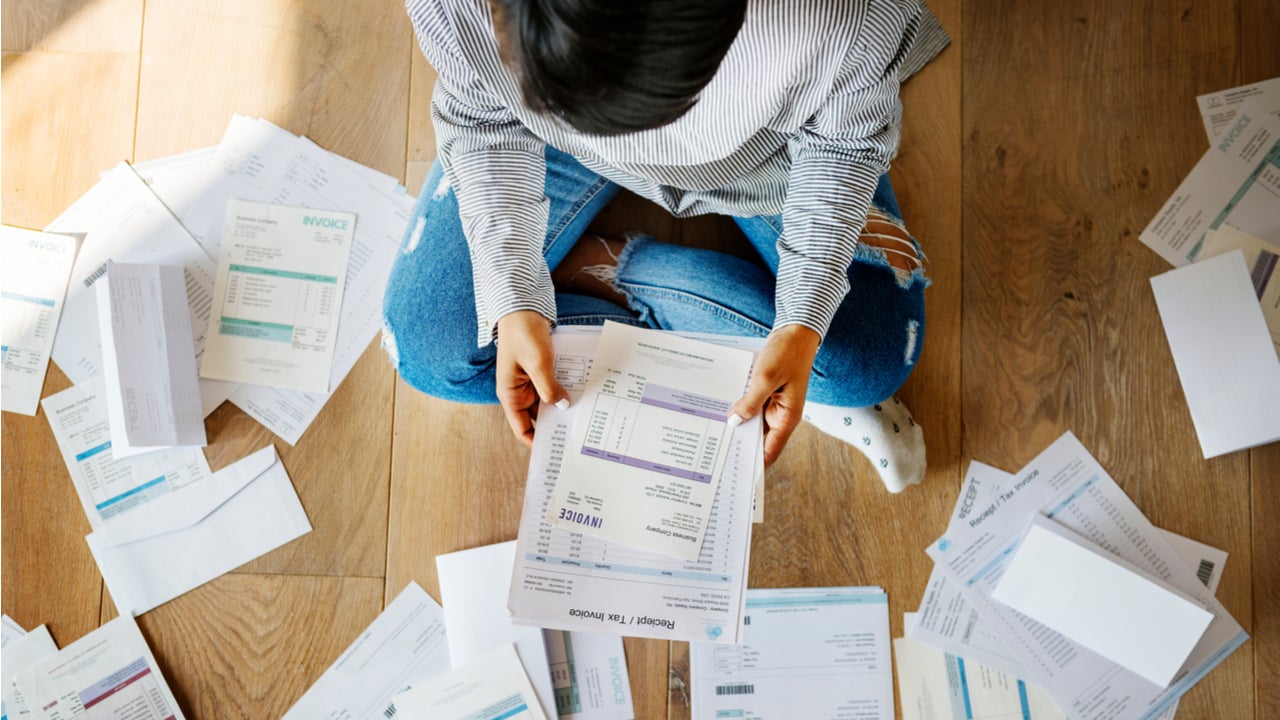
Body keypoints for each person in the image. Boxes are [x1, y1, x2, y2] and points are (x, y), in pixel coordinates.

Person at [383, 0, 948, 491]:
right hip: (546, 148)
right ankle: (761, 364)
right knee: (431, 349)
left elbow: (842, 148)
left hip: (765, 161)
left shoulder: (843, 19)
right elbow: (482, 120)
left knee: (869, 361)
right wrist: (510, 291)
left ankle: (593, 268)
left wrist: (803, 320)